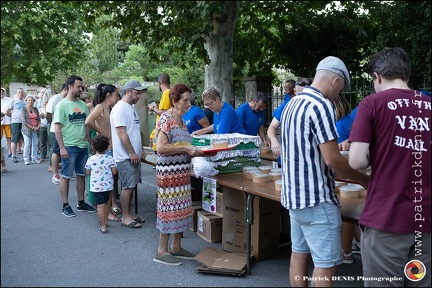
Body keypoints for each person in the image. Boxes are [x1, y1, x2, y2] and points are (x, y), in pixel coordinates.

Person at [280, 56, 369, 287]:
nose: (340, 93)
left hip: (293, 197)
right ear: (335, 81)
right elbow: (332, 159)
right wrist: (364, 180)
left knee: (299, 255)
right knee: (326, 264)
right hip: (317, 200)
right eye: (341, 87)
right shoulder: (321, 105)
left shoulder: (292, 103)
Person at [349, 47, 431, 287]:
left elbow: (355, 161)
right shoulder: (429, 105)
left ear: (377, 76)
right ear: (405, 74)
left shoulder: (372, 104)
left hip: (387, 219)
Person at [153, 83, 205, 266]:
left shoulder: (182, 121)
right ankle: (161, 250)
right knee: (169, 210)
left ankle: (176, 247)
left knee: (182, 210)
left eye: (189, 100)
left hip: (181, 174)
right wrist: (186, 148)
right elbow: (161, 147)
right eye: (185, 100)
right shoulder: (166, 118)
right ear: (174, 101)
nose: (188, 103)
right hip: (168, 175)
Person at [53, 75, 96, 217]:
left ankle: (81, 202)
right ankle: (65, 205)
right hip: (69, 146)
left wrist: (90, 143)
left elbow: (86, 127)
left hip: (83, 146)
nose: (80, 89)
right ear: (69, 87)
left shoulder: (83, 105)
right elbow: (57, 128)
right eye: (78, 86)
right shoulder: (62, 105)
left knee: (81, 175)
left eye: (81, 86)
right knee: (65, 176)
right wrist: (62, 148)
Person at [110, 79, 147, 228]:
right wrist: (131, 152)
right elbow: (121, 132)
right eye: (136, 93)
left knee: (131, 186)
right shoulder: (120, 108)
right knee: (127, 186)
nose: (138, 97)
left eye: (139, 93)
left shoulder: (130, 107)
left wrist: (140, 149)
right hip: (125, 156)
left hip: (133, 155)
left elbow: (134, 131)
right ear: (128, 92)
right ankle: (125, 217)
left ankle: (129, 214)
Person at [85, 83, 122, 221]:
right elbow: (88, 121)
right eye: (116, 95)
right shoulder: (100, 107)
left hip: (112, 146)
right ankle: (106, 213)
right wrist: (101, 132)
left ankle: (110, 208)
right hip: (105, 148)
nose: (117, 97)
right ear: (108, 95)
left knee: (111, 179)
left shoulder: (110, 108)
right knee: (107, 180)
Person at [85, 135, 118, 234]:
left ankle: (103, 226)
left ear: (94, 147)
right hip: (108, 186)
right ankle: (106, 221)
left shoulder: (91, 159)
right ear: (107, 146)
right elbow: (115, 172)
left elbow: (87, 172)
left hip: (96, 186)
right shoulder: (110, 158)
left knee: (100, 205)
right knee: (107, 203)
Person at [46, 83, 68, 183]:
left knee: (66, 151)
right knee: (56, 151)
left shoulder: (68, 100)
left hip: (66, 130)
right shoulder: (55, 98)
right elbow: (48, 114)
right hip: (55, 130)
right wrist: (53, 124)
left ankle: (65, 172)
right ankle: (55, 173)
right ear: (66, 89)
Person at [148, 73, 171, 151]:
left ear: (159, 82)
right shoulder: (168, 93)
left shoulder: (166, 93)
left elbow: (164, 113)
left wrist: (153, 108)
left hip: (164, 130)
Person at [5, 88, 26, 163]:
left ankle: (26, 155)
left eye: (22, 92)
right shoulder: (13, 101)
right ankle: (13, 155)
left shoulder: (25, 101)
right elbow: (6, 112)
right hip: (15, 122)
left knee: (25, 139)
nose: (20, 93)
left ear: (24, 93)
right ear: (16, 93)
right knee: (14, 139)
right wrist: (13, 116)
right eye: (19, 92)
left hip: (24, 122)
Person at [21, 95, 42, 165]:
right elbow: (24, 121)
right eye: (29, 100)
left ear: (34, 101)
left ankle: (34, 158)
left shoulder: (35, 109)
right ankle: (26, 159)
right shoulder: (24, 109)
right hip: (27, 129)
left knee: (35, 143)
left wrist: (38, 126)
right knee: (27, 143)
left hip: (35, 128)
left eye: (32, 100)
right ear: (26, 101)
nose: (30, 102)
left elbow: (39, 119)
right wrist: (32, 127)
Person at [1, 87, 13, 159]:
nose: (1, 93)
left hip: (8, 121)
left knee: (9, 137)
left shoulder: (9, 100)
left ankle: (10, 152)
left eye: (2, 92)